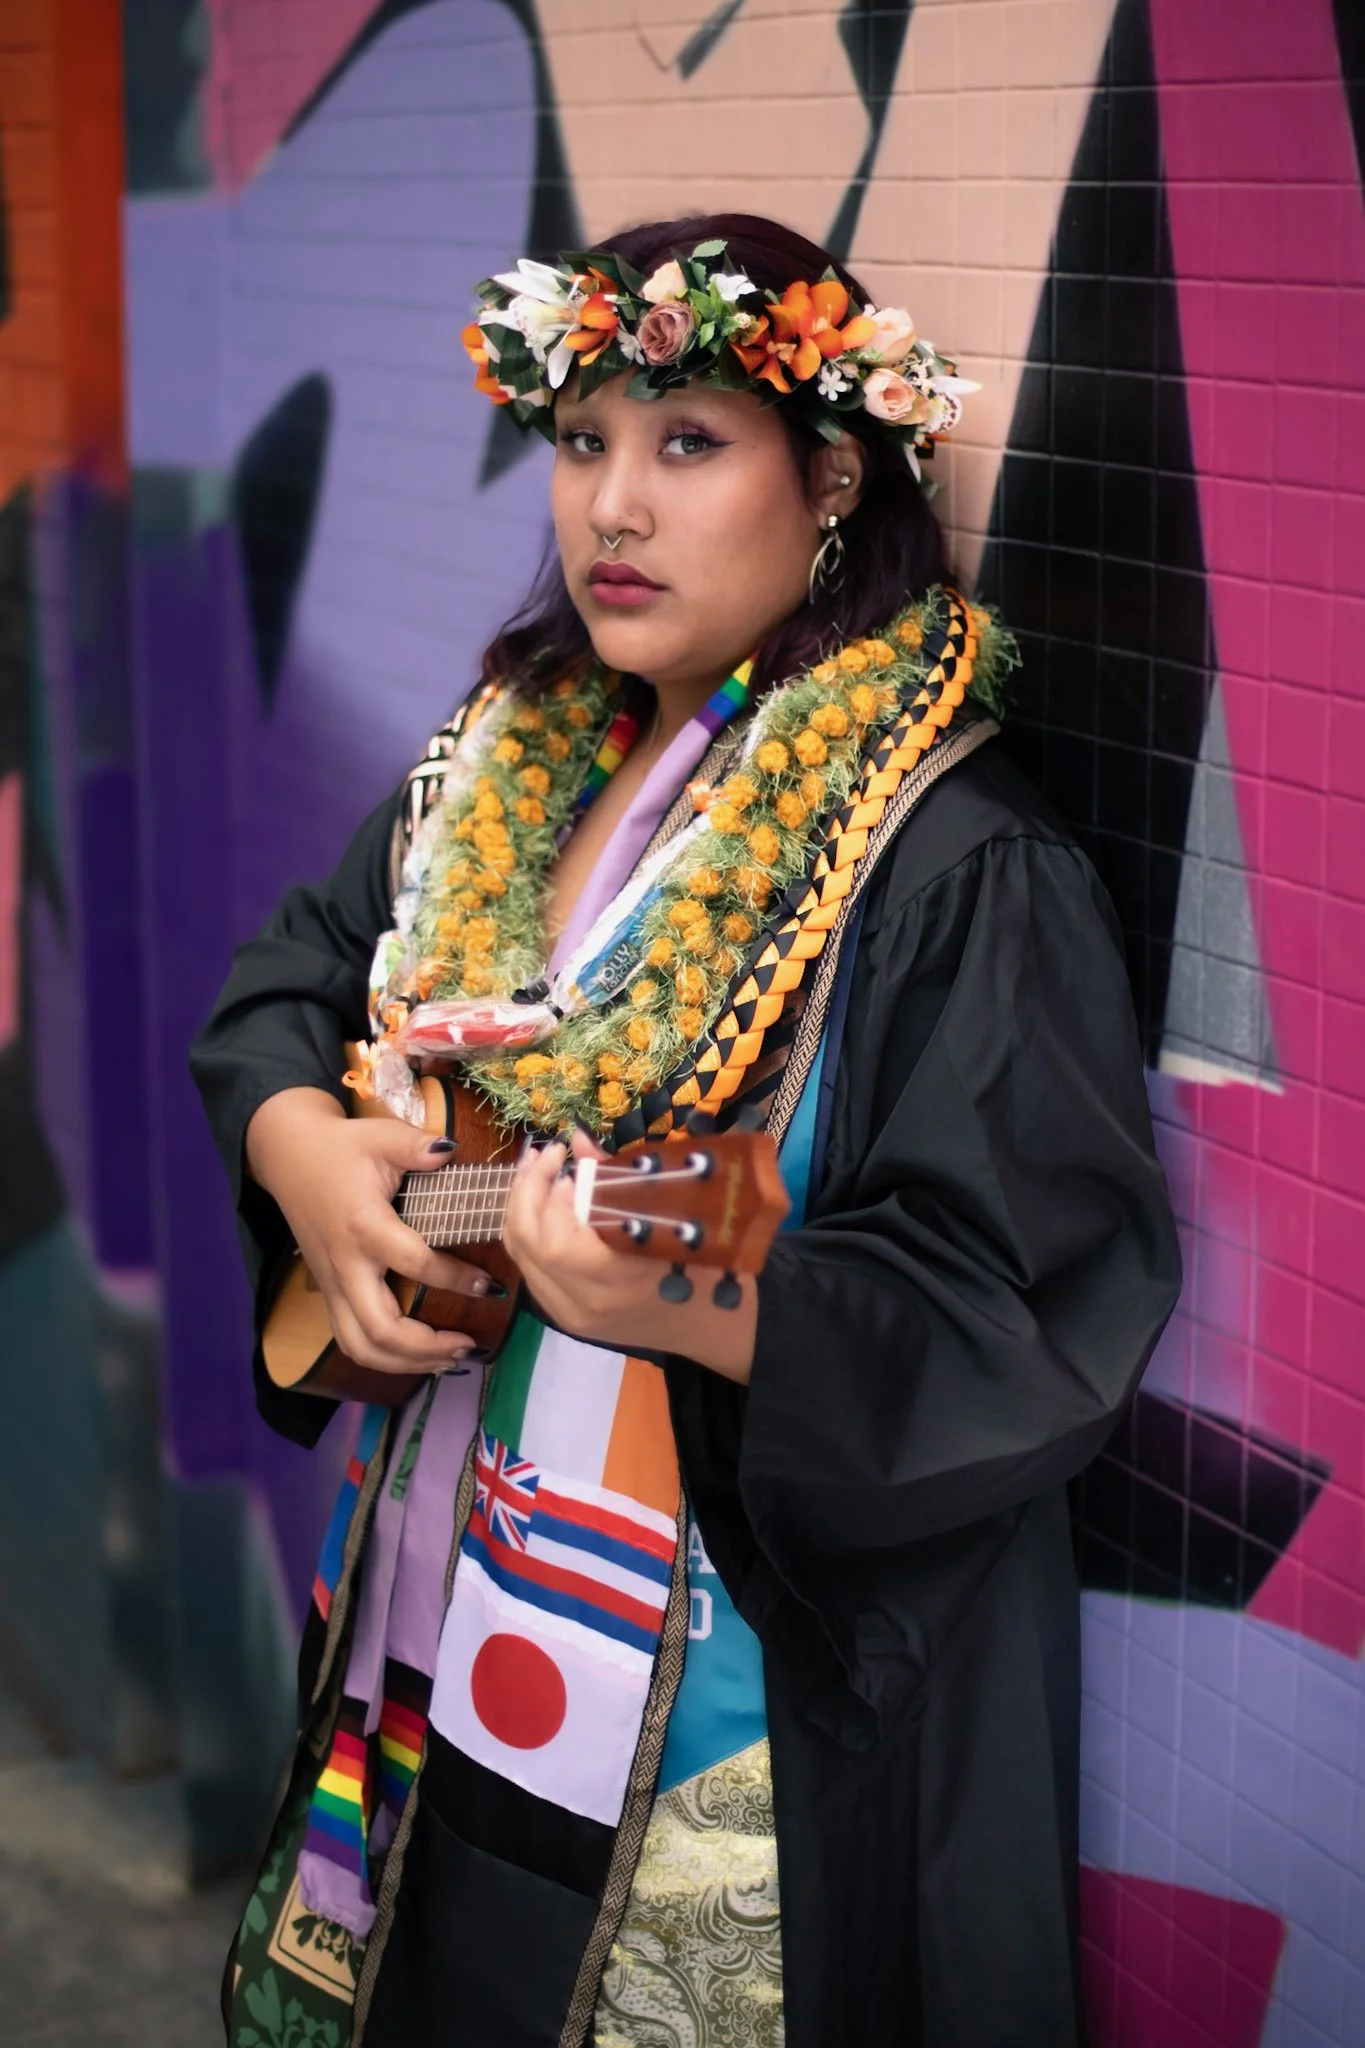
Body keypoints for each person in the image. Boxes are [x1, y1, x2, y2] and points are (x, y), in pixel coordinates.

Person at [192, 213, 1181, 2048]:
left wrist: (686, 1298)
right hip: (448, 1624)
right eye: (583, 443)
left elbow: (1029, 1309)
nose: (614, 507)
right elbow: (286, 987)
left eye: (691, 442)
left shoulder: (954, 865)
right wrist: (302, 1154)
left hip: (735, 1721)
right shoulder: (502, 769)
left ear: (833, 481)